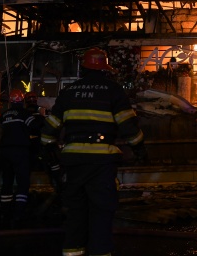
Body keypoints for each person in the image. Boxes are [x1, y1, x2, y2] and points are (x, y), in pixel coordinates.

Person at [41, 47, 147, 256]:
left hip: (73, 162)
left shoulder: (69, 92)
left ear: (84, 68)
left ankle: (72, 252)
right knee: (101, 211)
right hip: (102, 163)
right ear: (104, 69)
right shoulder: (113, 90)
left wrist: (49, 151)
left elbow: (49, 130)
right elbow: (128, 126)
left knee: (76, 212)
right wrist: (140, 149)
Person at [0, 89, 33, 227]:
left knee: (7, 183)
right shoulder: (25, 114)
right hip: (20, 152)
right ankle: (19, 214)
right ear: (22, 101)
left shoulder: (4, 115)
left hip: (5, 152)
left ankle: (4, 213)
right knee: (22, 183)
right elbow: (35, 127)